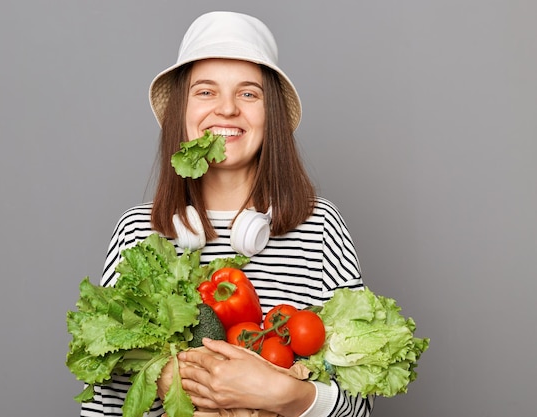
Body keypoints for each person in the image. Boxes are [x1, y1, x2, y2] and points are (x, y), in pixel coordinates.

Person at [82, 11, 373, 417]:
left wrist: (285, 396)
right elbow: (105, 402)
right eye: (205, 92)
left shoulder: (320, 226)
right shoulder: (136, 231)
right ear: (180, 112)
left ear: (269, 115)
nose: (227, 109)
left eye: (248, 94)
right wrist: (183, 390)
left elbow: (359, 403)